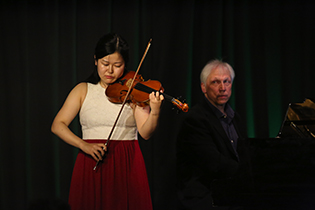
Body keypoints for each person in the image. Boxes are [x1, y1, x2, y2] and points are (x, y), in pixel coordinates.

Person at [51, 33, 164, 210]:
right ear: (95, 60)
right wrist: (83, 145)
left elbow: (145, 133)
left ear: (125, 64)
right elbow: (58, 125)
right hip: (91, 160)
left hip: (128, 161)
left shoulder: (133, 91)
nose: (110, 71)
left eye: (117, 65)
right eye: (105, 64)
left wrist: (155, 111)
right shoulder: (83, 90)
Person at [176, 59, 248, 210]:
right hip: (205, 196)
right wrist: (248, 173)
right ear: (203, 87)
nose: (222, 88)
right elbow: (213, 163)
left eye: (226, 82)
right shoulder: (194, 119)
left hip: (231, 191)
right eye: (215, 82)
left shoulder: (236, 118)